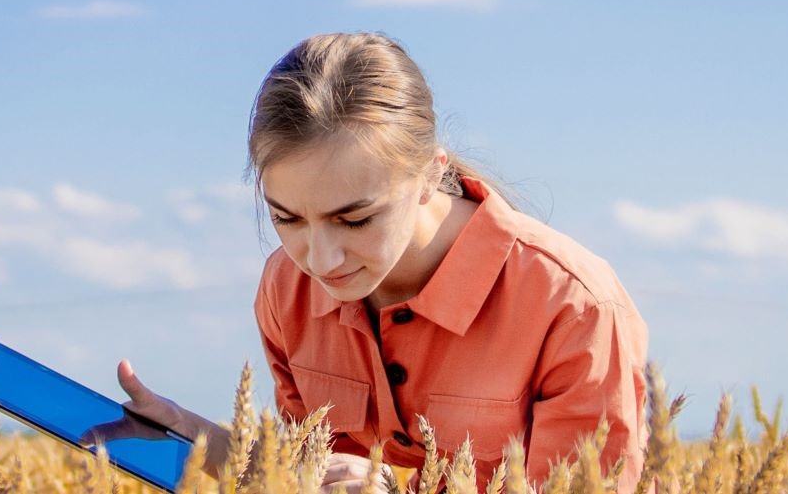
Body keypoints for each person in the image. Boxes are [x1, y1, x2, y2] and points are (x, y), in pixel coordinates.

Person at [108, 32, 649, 492]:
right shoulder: (284, 288)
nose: (319, 260)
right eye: (287, 218)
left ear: (429, 175)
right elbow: (312, 475)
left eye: (355, 218)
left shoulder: (573, 306)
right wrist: (198, 438)